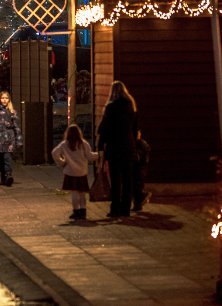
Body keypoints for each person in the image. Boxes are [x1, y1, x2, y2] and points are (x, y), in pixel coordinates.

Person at [96, 81, 140, 218]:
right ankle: (126, 208)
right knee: (128, 180)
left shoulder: (111, 108)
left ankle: (115, 208)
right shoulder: (131, 108)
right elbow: (135, 131)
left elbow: (105, 129)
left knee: (116, 180)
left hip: (114, 147)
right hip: (129, 147)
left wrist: (100, 145)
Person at [53, 124, 99, 221]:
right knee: (82, 192)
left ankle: (76, 211)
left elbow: (54, 153)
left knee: (74, 192)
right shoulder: (83, 144)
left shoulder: (65, 144)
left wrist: (62, 162)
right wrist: (100, 154)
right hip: (82, 172)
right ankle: (83, 211)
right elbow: (90, 156)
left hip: (70, 172)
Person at [133, 130, 151, 212]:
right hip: (142, 169)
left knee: (135, 186)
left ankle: (143, 195)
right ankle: (138, 205)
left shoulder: (139, 145)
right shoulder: (143, 144)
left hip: (138, 169)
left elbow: (137, 158)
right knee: (138, 185)